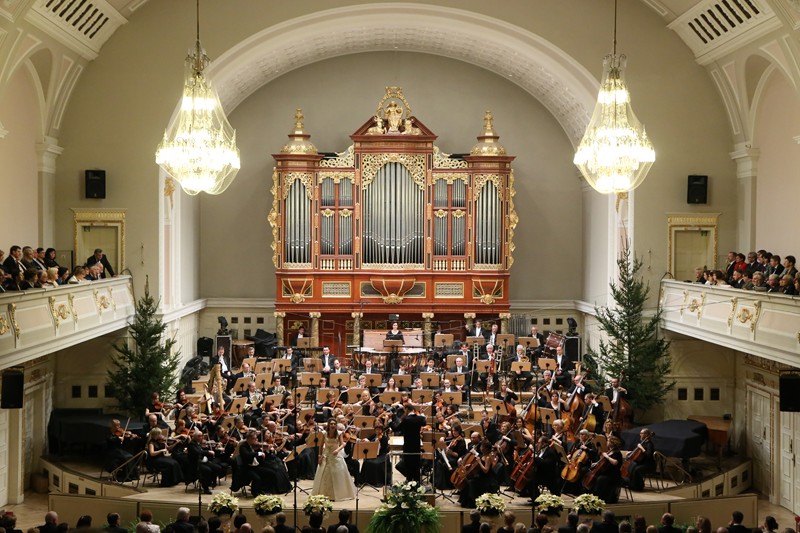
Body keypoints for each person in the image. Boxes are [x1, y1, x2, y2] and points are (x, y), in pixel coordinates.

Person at [311, 419, 356, 500]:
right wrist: (319, 456)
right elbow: (321, 446)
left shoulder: (339, 433)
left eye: (334, 424)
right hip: (326, 455)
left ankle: (339, 494)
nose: (332, 425)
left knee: (338, 474)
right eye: (331, 424)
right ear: (328, 425)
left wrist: (337, 450)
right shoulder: (324, 433)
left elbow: (343, 444)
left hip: (335, 455)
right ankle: (324, 494)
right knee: (324, 475)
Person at [394, 403, 425, 482]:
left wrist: (390, 421)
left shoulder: (406, 419)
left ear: (407, 409)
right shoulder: (420, 418)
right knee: (416, 465)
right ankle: (417, 482)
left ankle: (409, 481)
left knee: (408, 465)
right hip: (416, 445)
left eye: (405, 410)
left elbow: (396, 429)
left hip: (408, 445)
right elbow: (424, 422)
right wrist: (421, 415)